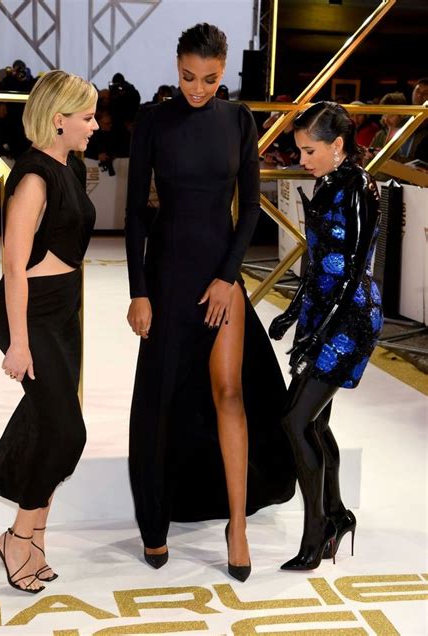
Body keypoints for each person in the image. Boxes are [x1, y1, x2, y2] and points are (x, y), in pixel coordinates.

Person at [125, 23, 295, 580]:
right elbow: (133, 215)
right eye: (187, 77)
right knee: (162, 401)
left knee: (230, 394)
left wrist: (228, 278)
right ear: (176, 66)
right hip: (168, 276)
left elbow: (248, 209)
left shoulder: (238, 120)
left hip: (221, 278)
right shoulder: (153, 121)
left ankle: (238, 526)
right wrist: (139, 291)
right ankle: (154, 522)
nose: (197, 88)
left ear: (224, 73)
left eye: (209, 79)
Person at [0, 70, 98, 593]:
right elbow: (13, 262)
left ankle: (35, 542)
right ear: (58, 119)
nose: (95, 125)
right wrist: (20, 341)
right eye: (87, 116)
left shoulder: (69, 166)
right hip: (33, 314)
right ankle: (17, 538)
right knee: (67, 430)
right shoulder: (33, 175)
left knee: (51, 424)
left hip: (62, 312)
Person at [268, 101, 383, 571]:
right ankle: (335, 517)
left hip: (349, 320)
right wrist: (294, 312)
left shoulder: (357, 189)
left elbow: (354, 272)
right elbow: (316, 265)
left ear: (338, 146)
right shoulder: (330, 184)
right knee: (312, 422)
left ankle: (316, 536)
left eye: (309, 150)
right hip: (323, 315)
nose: (302, 159)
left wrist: (316, 334)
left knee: (296, 422)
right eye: (299, 149)